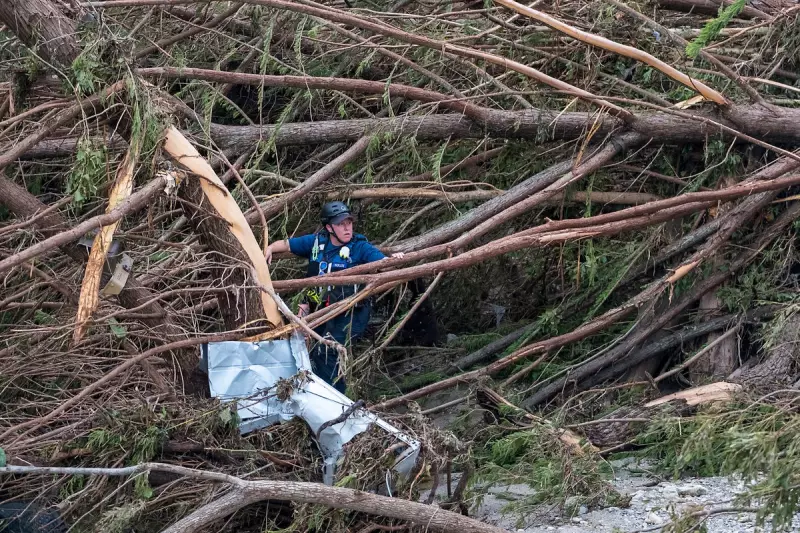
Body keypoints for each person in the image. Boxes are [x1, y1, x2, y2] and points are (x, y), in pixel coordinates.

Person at [265, 201, 404, 393]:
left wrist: (393, 260)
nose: (347, 228)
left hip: (351, 312)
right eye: (341, 224)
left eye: (349, 222)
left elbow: (382, 262)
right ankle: (325, 394)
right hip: (322, 309)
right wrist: (271, 248)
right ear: (329, 227)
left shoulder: (360, 247)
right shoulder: (317, 242)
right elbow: (287, 244)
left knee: (328, 351)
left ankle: (335, 399)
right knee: (314, 350)